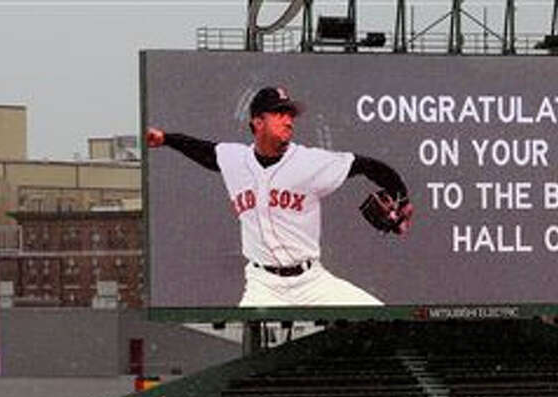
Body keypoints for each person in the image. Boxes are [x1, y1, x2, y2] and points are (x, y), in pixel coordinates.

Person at [146, 86, 413, 307]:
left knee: (378, 315)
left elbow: (369, 166)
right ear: (257, 122)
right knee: (249, 341)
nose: (288, 120)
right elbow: (203, 150)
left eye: (290, 115)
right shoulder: (234, 159)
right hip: (263, 285)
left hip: (313, 283)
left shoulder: (309, 162)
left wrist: (402, 197)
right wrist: (167, 139)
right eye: (279, 113)